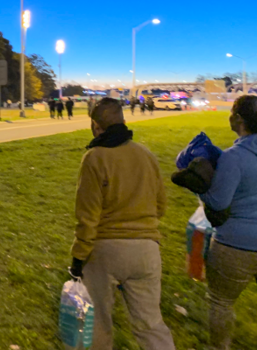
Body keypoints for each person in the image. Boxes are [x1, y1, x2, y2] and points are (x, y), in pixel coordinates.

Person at [69, 97, 174, 350]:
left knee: (98, 324)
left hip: (105, 251)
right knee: (150, 324)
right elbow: (160, 206)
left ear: (95, 126)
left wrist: (78, 257)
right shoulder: (146, 155)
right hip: (147, 250)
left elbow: (88, 216)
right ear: (123, 121)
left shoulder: (95, 158)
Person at [199, 95, 257, 349]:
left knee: (221, 302)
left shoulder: (234, 157)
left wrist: (200, 186)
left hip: (236, 245)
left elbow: (217, 204)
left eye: (233, 111)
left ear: (239, 119)